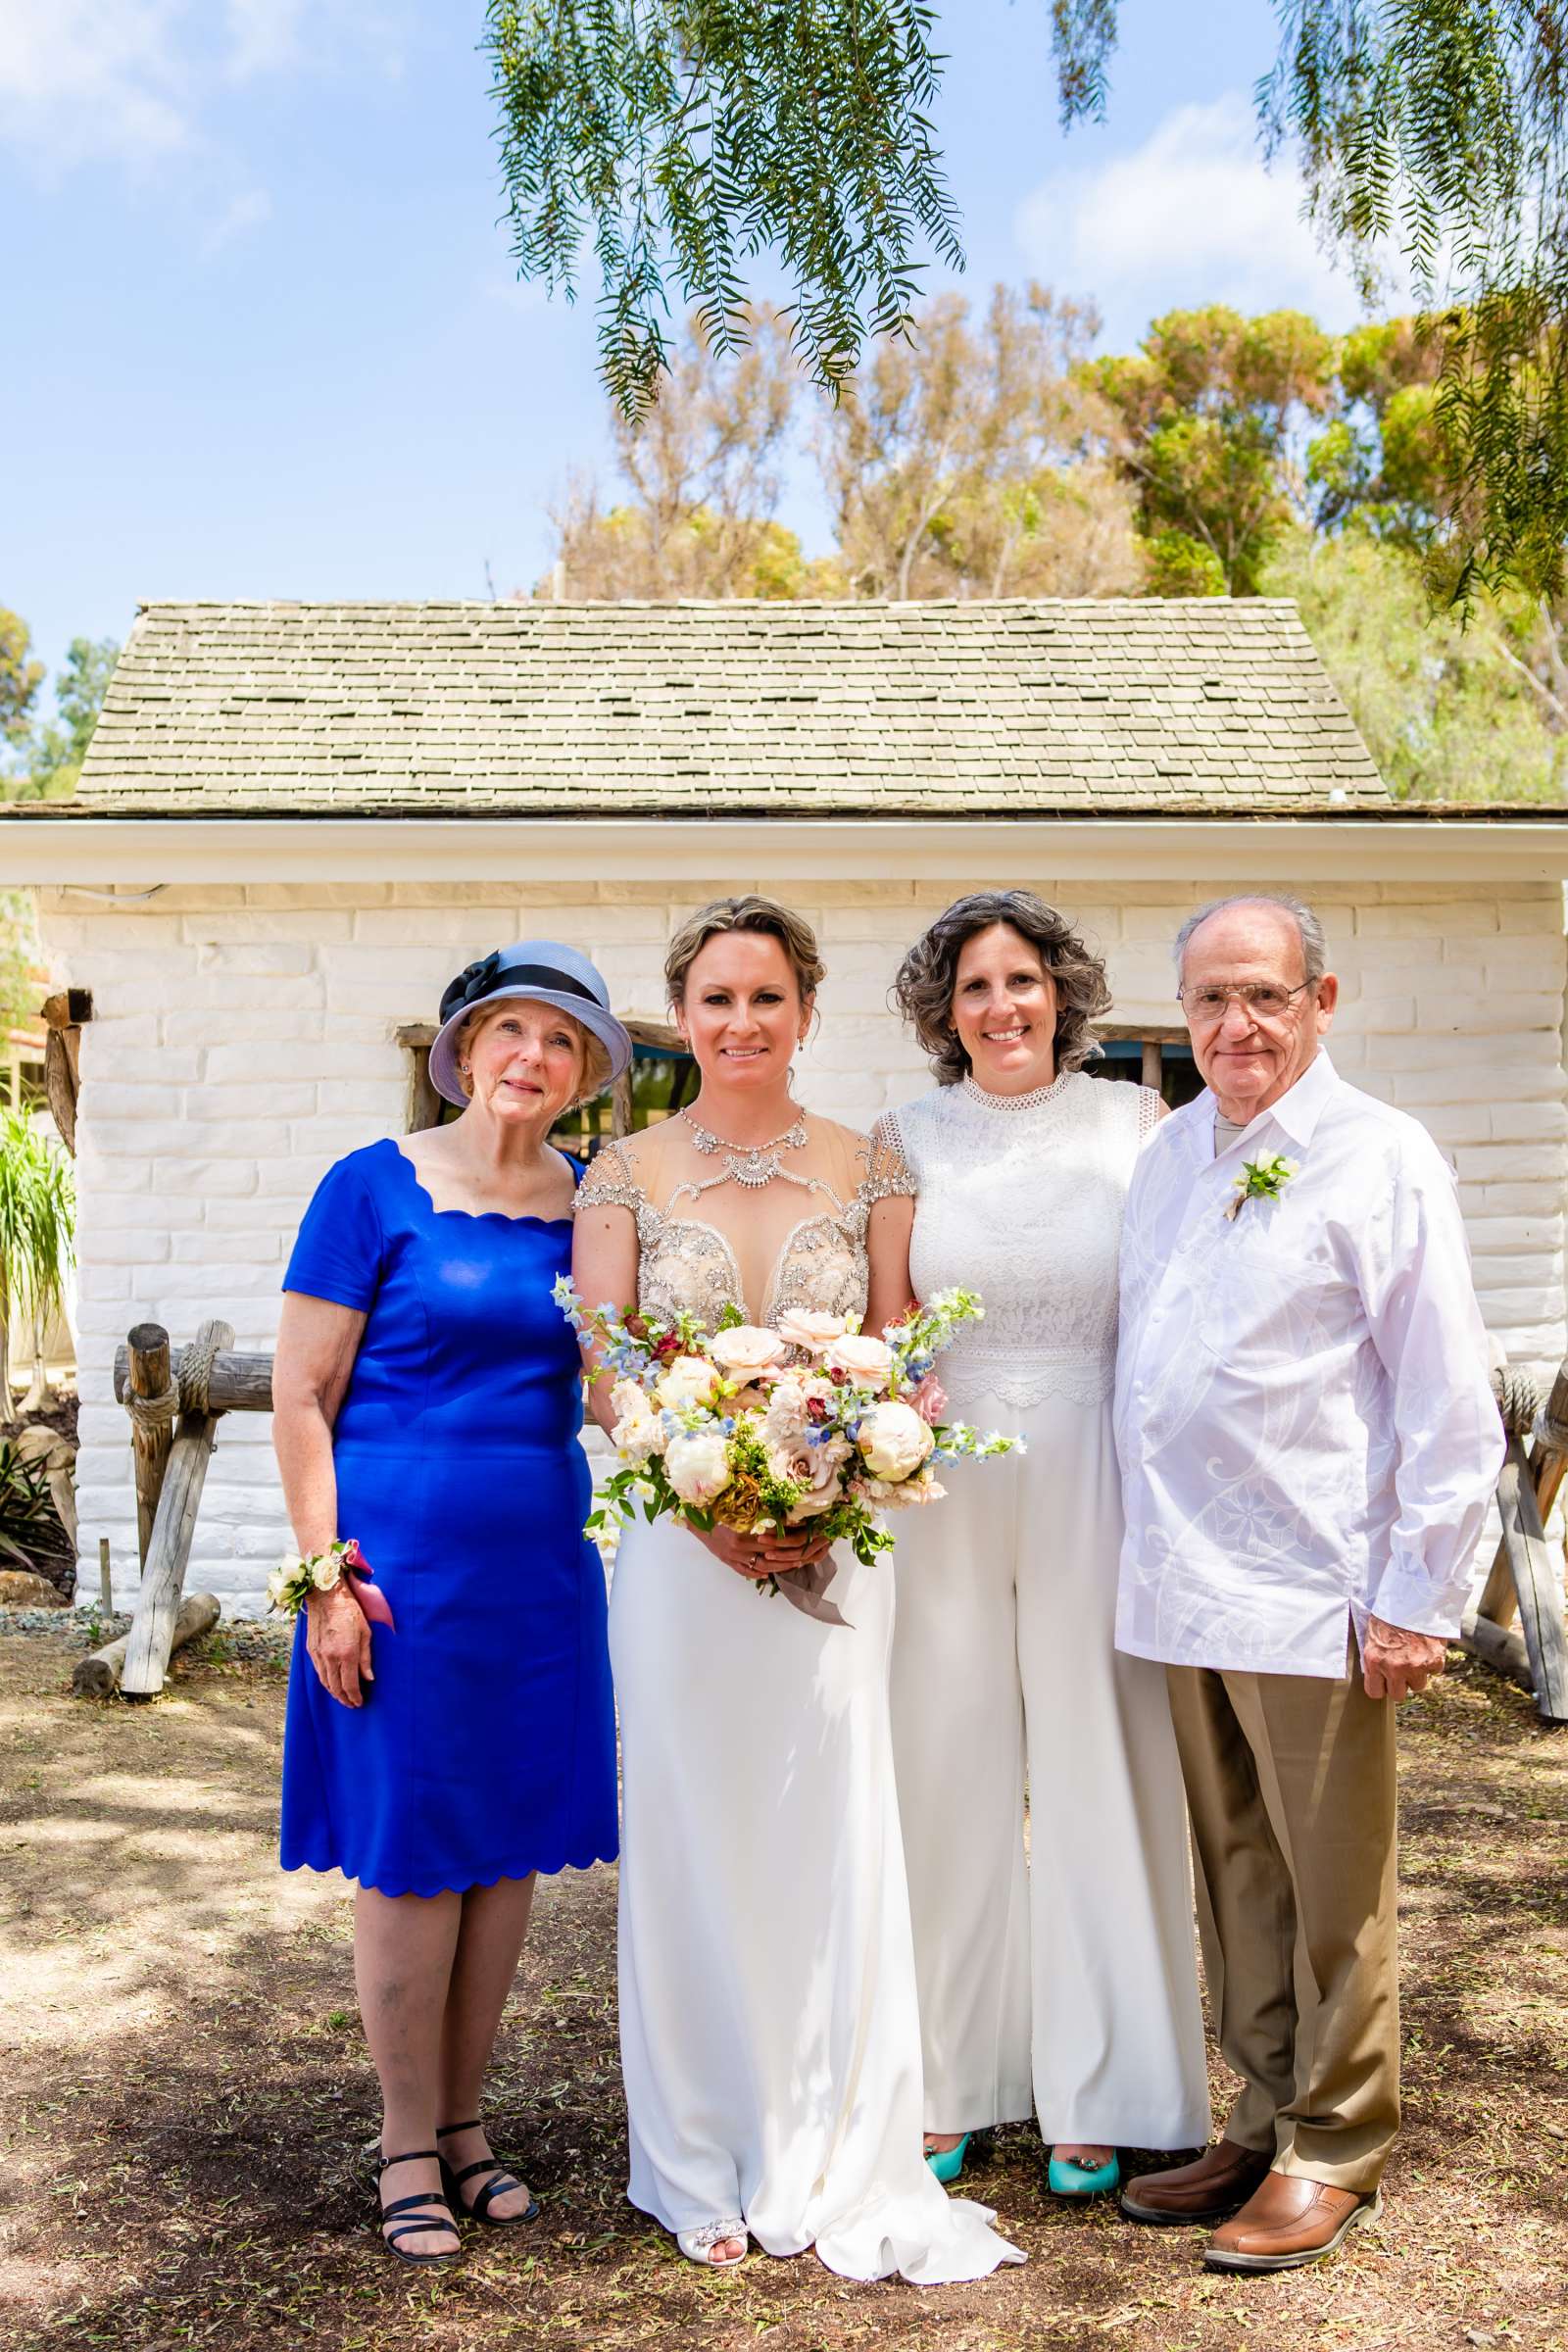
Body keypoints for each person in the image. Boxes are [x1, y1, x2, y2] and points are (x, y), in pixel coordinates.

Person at [571, 895, 1023, 2283]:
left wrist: (828, 1495)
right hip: (677, 1551)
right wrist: (708, 1507)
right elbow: (608, 1368)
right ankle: (696, 2149)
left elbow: (891, 1349)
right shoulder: (621, 1171)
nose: (742, 1023)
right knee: (700, 1836)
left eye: (767, 998)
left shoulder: (870, 1158)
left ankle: (836, 2139)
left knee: (833, 1828)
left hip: (839, 1547)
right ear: (682, 1017)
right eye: (716, 999)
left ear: (806, 1013)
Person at [1114, 892, 1502, 2273]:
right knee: (1238, 1871)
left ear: (1319, 1006)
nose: (1237, 1025)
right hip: (1178, 1582)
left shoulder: (1378, 1155)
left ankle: (1336, 2143)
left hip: (1314, 1585)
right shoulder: (1165, 1154)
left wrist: (1419, 1592)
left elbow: (1449, 1397)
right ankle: (1264, 2110)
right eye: (1212, 999)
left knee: (1337, 1890)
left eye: (1266, 995)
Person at [273, 940, 630, 2265]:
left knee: (506, 1852)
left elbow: (613, 1385)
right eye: (510, 1032)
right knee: (415, 1855)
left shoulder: (596, 1201)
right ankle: (405, 2140)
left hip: (536, 1570)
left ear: (588, 1068)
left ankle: (470, 2125)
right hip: (399, 1570)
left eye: (561, 1040)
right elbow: (303, 1398)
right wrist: (327, 1582)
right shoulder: (371, 1187)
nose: (531, 1058)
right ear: (465, 1047)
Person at [870, 890, 1209, 2202]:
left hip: (1097, 1474)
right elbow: (895, 1329)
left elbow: (1180, 1314)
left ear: (1063, 994)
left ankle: (1105, 2090)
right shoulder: (905, 1139)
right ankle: (948, 2078)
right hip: (942, 1487)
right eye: (974, 990)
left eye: (1022, 982)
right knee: (942, 1768)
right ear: (944, 1015)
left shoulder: (1142, 1125)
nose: (1002, 1007)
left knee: (1102, 1769)